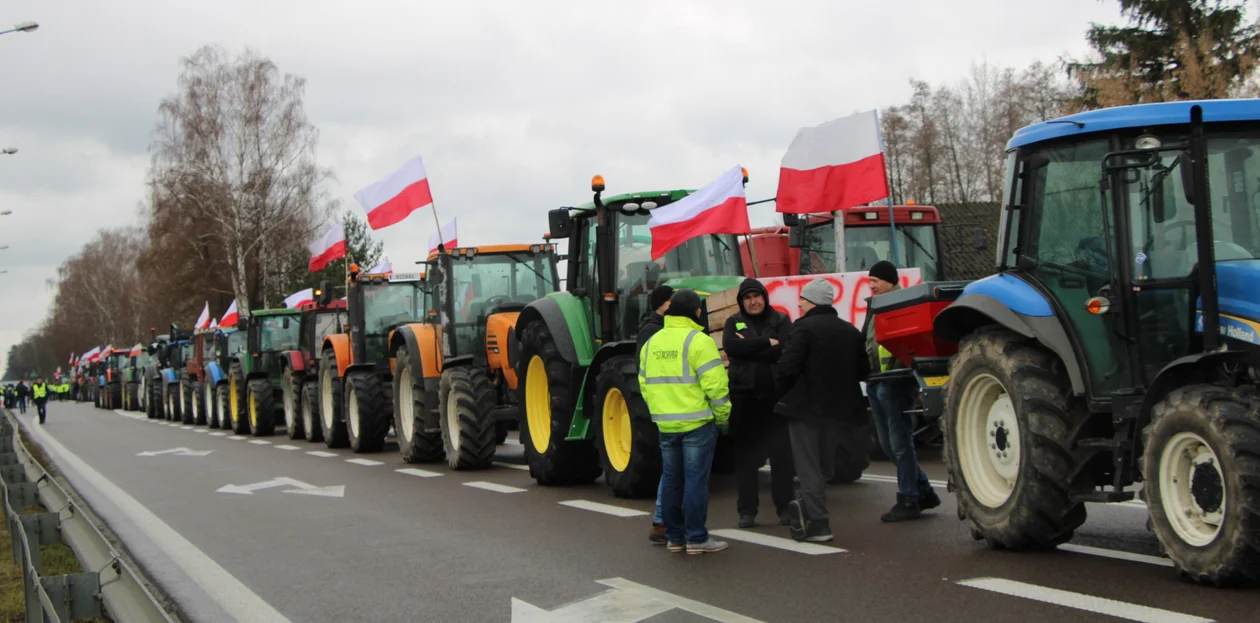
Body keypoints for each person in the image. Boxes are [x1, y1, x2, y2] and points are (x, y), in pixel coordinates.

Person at [775, 278, 870, 542]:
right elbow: (864, 370)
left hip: (806, 409)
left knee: (808, 468)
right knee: (826, 466)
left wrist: (786, 393)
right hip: (840, 412)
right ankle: (806, 505)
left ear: (813, 301)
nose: (799, 304)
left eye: (803, 300)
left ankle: (818, 524)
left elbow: (786, 368)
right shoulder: (850, 330)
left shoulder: (803, 328)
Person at [639, 289, 731, 554]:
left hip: (665, 425)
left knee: (670, 481)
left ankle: (675, 537)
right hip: (697, 423)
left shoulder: (652, 343)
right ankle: (697, 538)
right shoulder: (699, 341)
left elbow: (644, 383)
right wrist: (722, 416)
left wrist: (660, 411)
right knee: (695, 482)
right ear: (697, 312)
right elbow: (716, 386)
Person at [865, 261, 941, 522]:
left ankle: (909, 498)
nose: (871, 285)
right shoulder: (873, 305)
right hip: (876, 381)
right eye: (870, 280)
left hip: (896, 383)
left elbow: (908, 343)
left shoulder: (902, 304)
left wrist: (899, 372)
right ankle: (925, 491)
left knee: (900, 444)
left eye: (875, 280)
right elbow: (868, 340)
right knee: (888, 445)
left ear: (889, 280)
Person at [723, 278, 794, 528]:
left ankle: (785, 508)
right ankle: (747, 512)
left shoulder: (781, 320)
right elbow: (732, 348)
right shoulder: (733, 322)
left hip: (776, 399)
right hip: (745, 398)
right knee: (746, 458)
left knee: (782, 456)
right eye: (748, 297)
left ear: (765, 297)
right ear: (741, 301)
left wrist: (749, 347)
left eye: (757, 296)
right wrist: (766, 343)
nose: (753, 302)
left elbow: (785, 350)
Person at [637, 285, 674, 546]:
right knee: (676, 469)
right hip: (670, 410)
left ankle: (666, 522)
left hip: (675, 409)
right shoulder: (652, 331)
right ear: (664, 304)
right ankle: (670, 524)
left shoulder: (669, 329)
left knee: (675, 469)